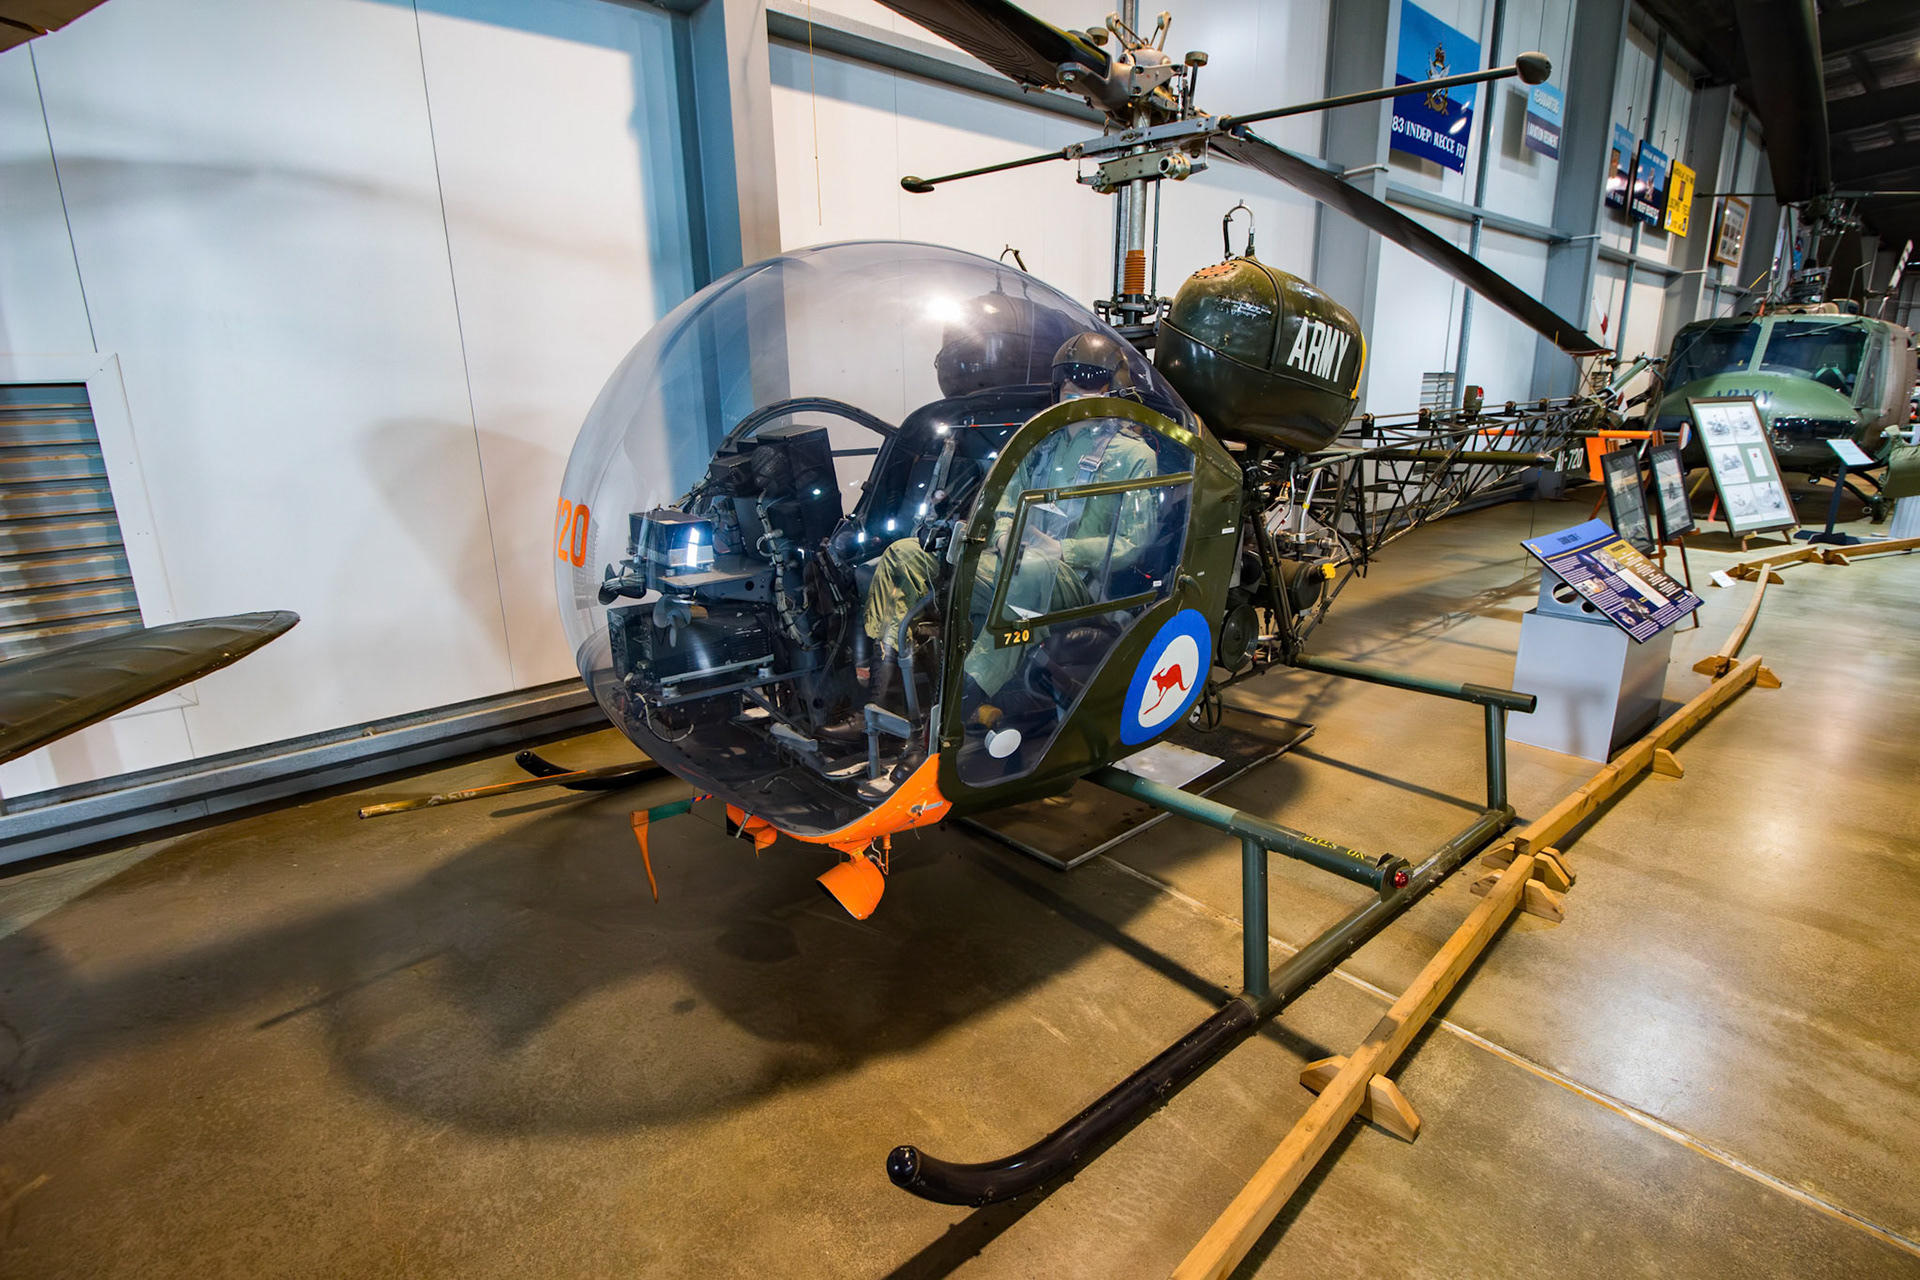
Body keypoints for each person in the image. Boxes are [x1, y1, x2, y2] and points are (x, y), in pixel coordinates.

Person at [857, 333, 1160, 766]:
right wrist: (1001, 535)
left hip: (1076, 587)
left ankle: (945, 727)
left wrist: (1063, 550)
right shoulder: (1039, 444)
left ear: (1114, 392)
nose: (1080, 395)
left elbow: (1132, 542)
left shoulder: (1134, 457)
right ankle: (881, 704)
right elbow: (1003, 502)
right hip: (1011, 560)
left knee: (1034, 568)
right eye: (1071, 386)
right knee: (905, 553)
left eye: (1093, 386)